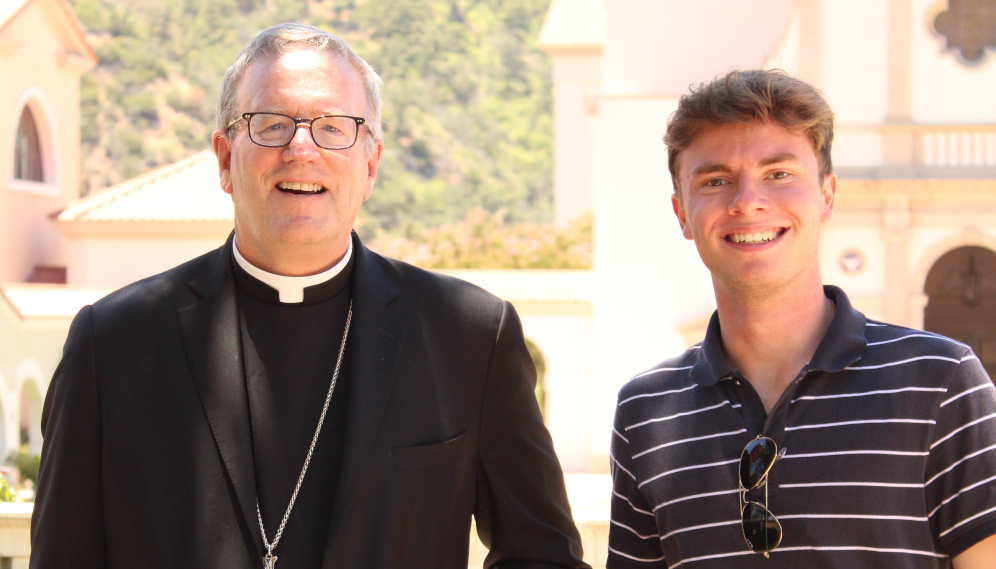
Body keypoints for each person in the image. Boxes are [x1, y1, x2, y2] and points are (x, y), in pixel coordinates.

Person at [31, 23, 587, 569]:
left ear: (370, 165)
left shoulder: (467, 338)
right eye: (271, 124)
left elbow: (544, 555)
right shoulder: (113, 344)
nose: (301, 148)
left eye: (333, 127)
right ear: (225, 160)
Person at [606, 69, 996, 568]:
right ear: (682, 213)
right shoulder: (645, 411)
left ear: (827, 196)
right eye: (716, 180)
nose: (748, 202)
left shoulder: (941, 382)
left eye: (778, 174)